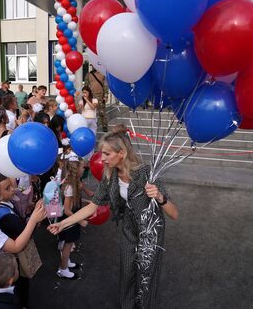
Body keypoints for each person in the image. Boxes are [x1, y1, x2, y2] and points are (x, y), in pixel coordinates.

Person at [48, 128, 178, 309]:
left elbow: (174, 213)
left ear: (122, 153)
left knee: (146, 276)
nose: (102, 159)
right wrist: (63, 223)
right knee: (127, 272)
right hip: (129, 229)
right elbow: (93, 205)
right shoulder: (109, 175)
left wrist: (159, 197)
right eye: (102, 154)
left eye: (107, 154)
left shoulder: (146, 173)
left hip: (150, 233)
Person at [0, 177, 31, 306]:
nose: (13, 190)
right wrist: (33, 220)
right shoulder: (4, 215)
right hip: (14, 253)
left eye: (11, 186)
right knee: (20, 282)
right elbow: (22, 232)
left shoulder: (7, 204)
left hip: (13, 249)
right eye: (7, 188)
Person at [56, 157, 87, 279]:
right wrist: (80, 220)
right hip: (70, 220)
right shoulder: (69, 187)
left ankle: (66, 262)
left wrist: (87, 202)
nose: (84, 169)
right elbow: (67, 210)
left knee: (68, 244)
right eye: (82, 167)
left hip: (71, 218)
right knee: (68, 245)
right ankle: (63, 270)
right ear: (77, 170)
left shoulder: (73, 182)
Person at [84, 67, 109, 132]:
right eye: (92, 65)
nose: (93, 67)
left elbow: (105, 85)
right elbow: (86, 86)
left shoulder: (102, 74)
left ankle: (104, 126)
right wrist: (85, 95)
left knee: (102, 112)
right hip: (91, 97)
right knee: (91, 111)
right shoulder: (89, 75)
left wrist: (105, 96)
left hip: (100, 96)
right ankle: (92, 125)